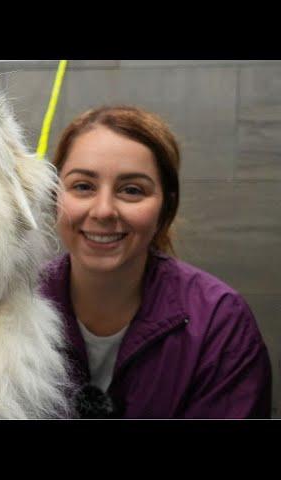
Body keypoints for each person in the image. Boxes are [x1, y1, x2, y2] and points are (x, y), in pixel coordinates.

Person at [40, 105, 272, 418]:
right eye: (83, 186)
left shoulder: (220, 324)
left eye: (132, 190)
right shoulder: (14, 305)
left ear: (166, 208)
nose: (103, 210)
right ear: (55, 197)